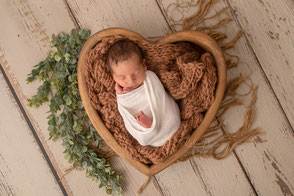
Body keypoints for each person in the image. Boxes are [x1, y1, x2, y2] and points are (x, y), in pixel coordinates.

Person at [106, 39, 181, 147]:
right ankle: (149, 129)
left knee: (172, 118)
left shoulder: (150, 77)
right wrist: (125, 96)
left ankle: (153, 127)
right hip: (147, 134)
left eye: (136, 73)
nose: (131, 81)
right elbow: (125, 109)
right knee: (141, 134)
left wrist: (130, 92)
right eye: (122, 77)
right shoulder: (121, 93)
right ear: (112, 76)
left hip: (167, 119)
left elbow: (159, 95)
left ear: (144, 65)